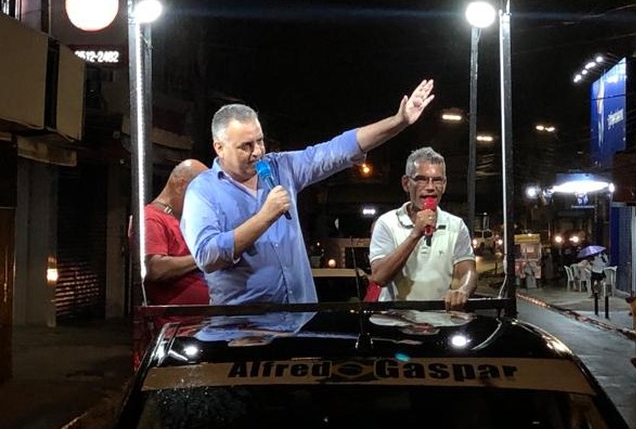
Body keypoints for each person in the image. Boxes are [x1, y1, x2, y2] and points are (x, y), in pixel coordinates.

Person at [181, 79, 435, 328]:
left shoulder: (280, 167)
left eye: (260, 140)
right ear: (219, 147)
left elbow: (339, 150)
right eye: (245, 146)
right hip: (243, 330)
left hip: (301, 322)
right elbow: (207, 256)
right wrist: (264, 217)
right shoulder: (203, 191)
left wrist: (399, 121)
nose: (258, 151)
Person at [368, 147, 476, 310]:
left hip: (439, 321)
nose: (430, 187)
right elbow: (379, 277)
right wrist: (415, 234)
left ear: (444, 184)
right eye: (422, 179)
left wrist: (462, 290)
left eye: (437, 180)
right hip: (397, 322)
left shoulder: (456, 225)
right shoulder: (386, 223)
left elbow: (468, 271)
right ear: (406, 183)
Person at [143, 159, 211, 306]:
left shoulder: (184, 218)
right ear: (181, 185)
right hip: (179, 323)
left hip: (207, 318)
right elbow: (155, 269)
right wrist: (206, 256)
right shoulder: (151, 217)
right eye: (200, 192)